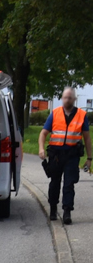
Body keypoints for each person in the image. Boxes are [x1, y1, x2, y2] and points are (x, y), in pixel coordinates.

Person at [38, 87, 92, 224]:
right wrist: (41, 149)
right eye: (65, 97)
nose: (67, 100)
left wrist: (89, 158)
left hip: (72, 155)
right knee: (54, 182)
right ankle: (53, 208)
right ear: (62, 98)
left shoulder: (81, 115)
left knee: (69, 184)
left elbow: (87, 138)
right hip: (56, 155)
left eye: (70, 97)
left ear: (74, 99)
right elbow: (43, 133)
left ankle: (67, 211)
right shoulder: (55, 114)